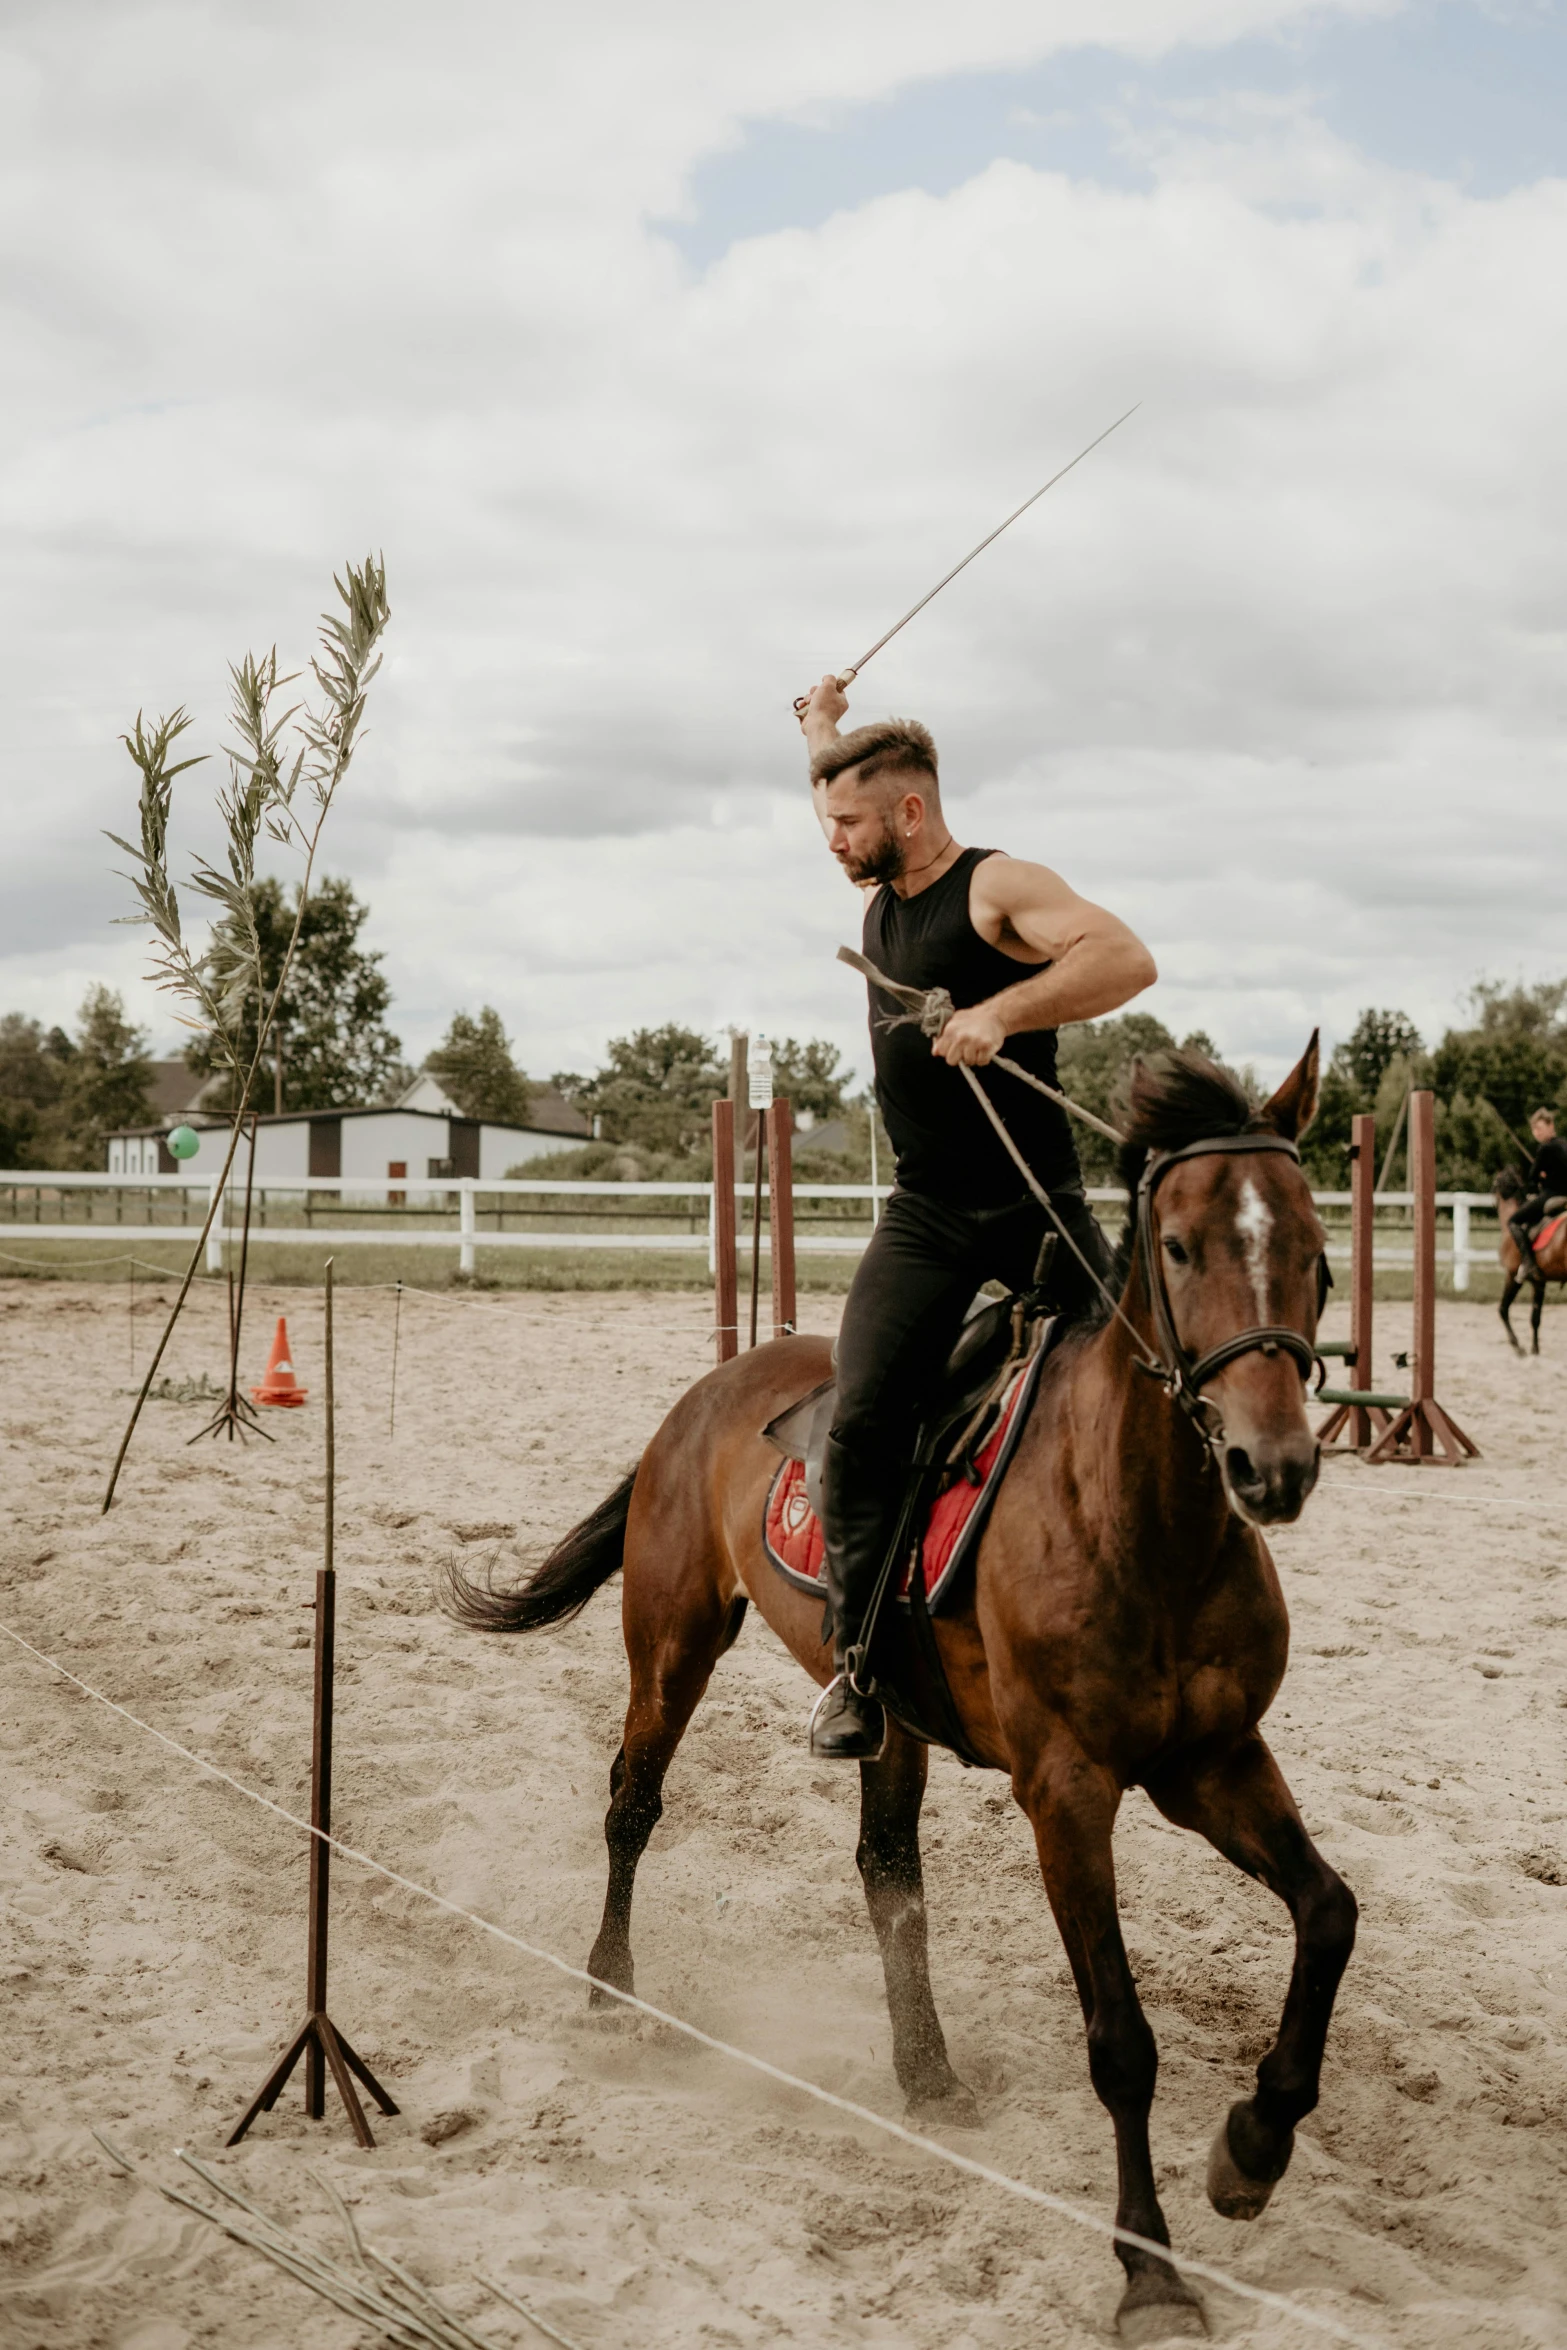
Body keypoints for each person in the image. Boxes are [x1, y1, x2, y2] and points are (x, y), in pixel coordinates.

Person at [796, 676, 1158, 1759]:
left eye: (849, 823)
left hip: (1035, 1209)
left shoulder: (996, 885)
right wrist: (818, 725)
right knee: (860, 1417)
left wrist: (1001, 1011)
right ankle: (858, 1667)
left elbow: (1123, 957)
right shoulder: (875, 877)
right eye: (828, 822)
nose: (833, 843)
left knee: (1142, 1395)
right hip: (927, 1216)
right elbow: (835, 786)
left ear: (909, 812)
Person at [1507, 1108, 1567, 1264]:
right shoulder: (1564, 1144)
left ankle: (1527, 1263)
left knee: (1513, 1221)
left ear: (1550, 1125)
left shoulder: (1545, 1148)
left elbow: (1532, 1177)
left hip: (1551, 1195)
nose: (1536, 1133)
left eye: (1539, 1128)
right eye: (1534, 1129)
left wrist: (1542, 1177)